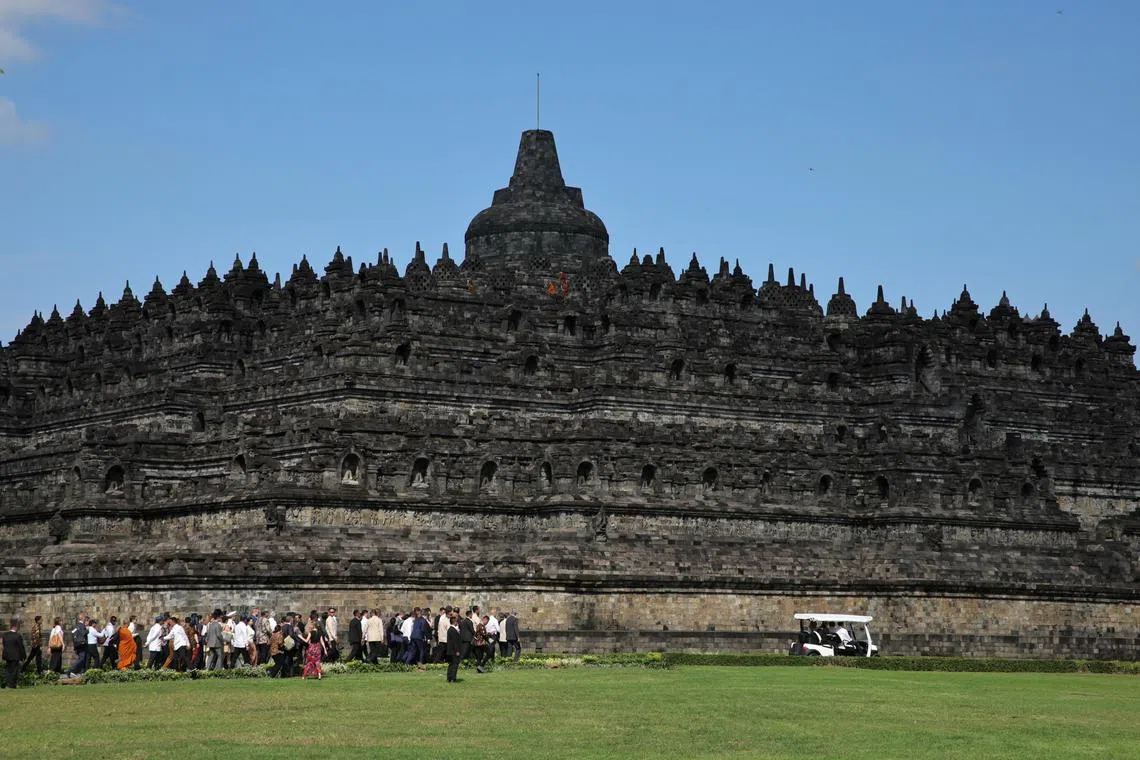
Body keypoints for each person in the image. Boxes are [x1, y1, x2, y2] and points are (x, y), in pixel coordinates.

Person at [2, 619, 26, 688]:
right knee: (14, 670)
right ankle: (12, 685)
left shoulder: (5, 635)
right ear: (15, 627)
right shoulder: (17, 635)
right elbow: (21, 647)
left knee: (8, 670)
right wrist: (23, 656)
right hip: (15, 655)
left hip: (7, 655)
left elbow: (4, 644)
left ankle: (8, 683)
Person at [445, 612, 462, 683]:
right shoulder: (453, 630)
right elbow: (455, 642)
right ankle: (452, 678)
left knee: (451, 664)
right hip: (454, 651)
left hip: (450, 650)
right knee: (454, 664)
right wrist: (457, 651)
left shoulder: (451, 629)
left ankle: (449, 677)